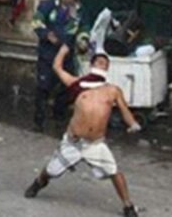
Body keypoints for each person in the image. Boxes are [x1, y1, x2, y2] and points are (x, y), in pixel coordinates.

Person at [24, 45, 140, 217]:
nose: (102, 64)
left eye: (105, 63)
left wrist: (133, 124)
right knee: (51, 171)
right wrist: (64, 49)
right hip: (74, 142)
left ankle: (128, 206)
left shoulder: (112, 90)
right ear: (92, 65)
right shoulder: (77, 84)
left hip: (95, 144)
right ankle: (38, 183)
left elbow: (125, 110)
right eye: (99, 61)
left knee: (114, 172)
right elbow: (57, 67)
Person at [31, 0, 90, 132]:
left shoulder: (79, 10)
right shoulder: (48, 5)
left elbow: (84, 28)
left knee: (66, 87)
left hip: (67, 54)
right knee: (43, 87)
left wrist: (83, 40)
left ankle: (59, 116)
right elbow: (36, 22)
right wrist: (47, 34)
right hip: (48, 54)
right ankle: (38, 120)